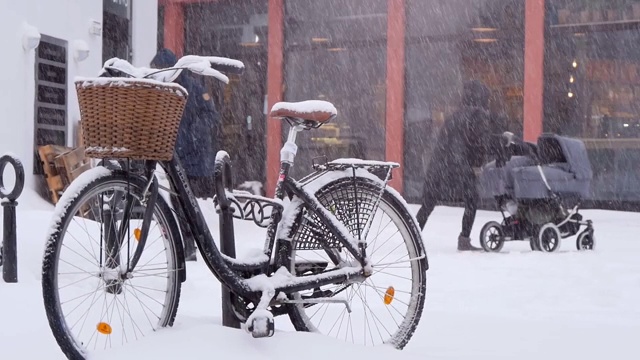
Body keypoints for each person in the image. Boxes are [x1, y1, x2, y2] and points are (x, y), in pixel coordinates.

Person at [415, 80, 506, 251]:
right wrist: (484, 160)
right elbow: (481, 142)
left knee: (428, 203)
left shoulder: (454, 115)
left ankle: (412, 237)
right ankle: (464, 239)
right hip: (459, 167)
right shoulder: (479, 115)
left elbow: (444, 141)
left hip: (439, 165)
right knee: (472, 200)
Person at [150, 48, 220, 261]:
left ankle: (191, 245)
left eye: (159, 70)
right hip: (175, 154)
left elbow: (211, 116)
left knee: (184, 202)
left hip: (192, 157)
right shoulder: (162, 90)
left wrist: (191, 133)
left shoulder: (192, 88)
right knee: (178, 201)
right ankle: (186, 245)